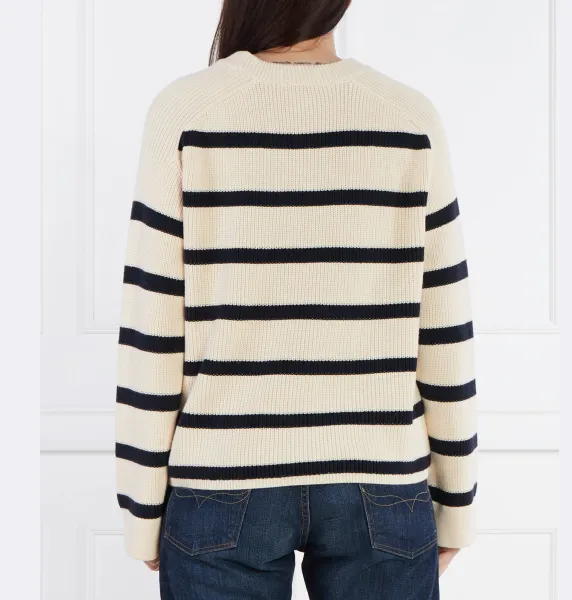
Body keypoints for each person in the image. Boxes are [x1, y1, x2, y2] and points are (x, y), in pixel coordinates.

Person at [114, 1, 478, 598]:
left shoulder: (186, 112)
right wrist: (456, 499)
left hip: (222, 479)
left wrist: (142, 508)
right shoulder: (408, 118)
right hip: (382, 478)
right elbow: (444, 327)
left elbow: (152, 325)